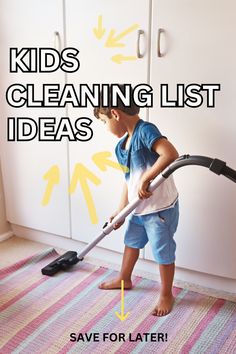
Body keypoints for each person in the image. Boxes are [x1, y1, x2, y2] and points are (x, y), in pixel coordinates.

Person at [93, 86, 179, 316]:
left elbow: (171, 154)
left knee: (163, 251)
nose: (106, 126)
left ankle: (166, 293)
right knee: (131, 242)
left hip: (159, 210)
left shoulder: (145, 131)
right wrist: (120, 211)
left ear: (115, 113)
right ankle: (124, 278)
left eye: (103, 121)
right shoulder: (121, 147)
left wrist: (148, 177)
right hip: (138, 210)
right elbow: (128, 181)